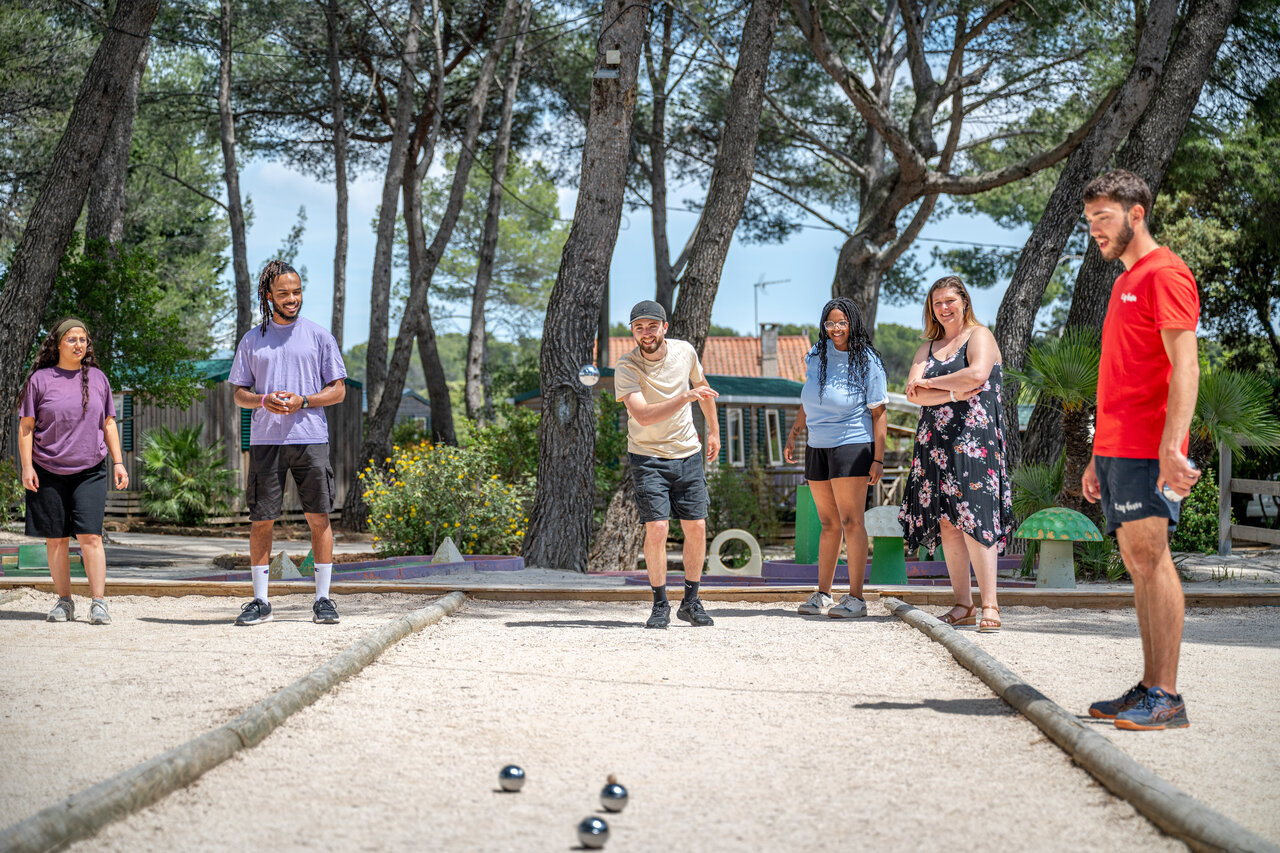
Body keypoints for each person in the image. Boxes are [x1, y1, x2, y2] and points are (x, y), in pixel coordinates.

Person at [1080, 170, 1200, 731]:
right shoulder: (1125, 281)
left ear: (1136, 214)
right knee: (1137, 566)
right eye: (1088, 222)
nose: (1094, 232)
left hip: (1149, 451)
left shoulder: (1165, 274)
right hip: (1116, 449)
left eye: (1102, 219)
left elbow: (1186, 368)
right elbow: (1120, 376)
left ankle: (1168, 697)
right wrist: (1096, 454)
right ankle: (1150, 685)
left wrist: (1173, 448)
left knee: (1154, 562)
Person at [229, 260, 347, 626]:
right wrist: (264, 400)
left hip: (311, 438)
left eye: (297, 292)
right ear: (269, 296)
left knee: (318, 517)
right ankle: (261, 602)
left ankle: (324, 599)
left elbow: (339, 390)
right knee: (262, 519)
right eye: (284, 293)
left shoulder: (319, 336)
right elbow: (239, 395)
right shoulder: (252, 340)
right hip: (266, 441)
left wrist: (304, 400)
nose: (292, 298)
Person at [899, 276, 1012, 633]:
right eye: (937, 303)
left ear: (964, 301)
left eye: (950, 301)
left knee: (976, 519)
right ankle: (963, 604)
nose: (944, 308)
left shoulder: (980, 335)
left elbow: (977, 374)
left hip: (973, 441)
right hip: (934, 442)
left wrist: (932, 383)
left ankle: (990, 605)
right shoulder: (928, 346)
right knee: (947, 522)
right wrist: (952, 392)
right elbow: (911, 394)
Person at [614, 300, 720, 629]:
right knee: (658, 529)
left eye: (651, 326)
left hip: (687, 453)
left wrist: (714, 431)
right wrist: (684, 398)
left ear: (664, 327)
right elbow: (643, 416)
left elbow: (702, 388)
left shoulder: (685, 351)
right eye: (638, 327)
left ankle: (691, 601)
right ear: (633, 331)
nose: (646, 333)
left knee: (697, 527)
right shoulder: (627, 366)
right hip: (647, 457)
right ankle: (660, 603)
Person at [17, 318, 129, 625]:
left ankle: (99, 603)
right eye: (72, 339)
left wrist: (118, 462)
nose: (79, 344)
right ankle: (64, 602)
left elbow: (108, 423)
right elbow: (26, 426)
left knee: (90, 536)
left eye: (83, 340)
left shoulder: (98, 379)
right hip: (47, 470)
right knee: (56, 539)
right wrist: (27, 467)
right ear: (58, 344)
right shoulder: (40, 380)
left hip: (90, 469)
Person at [784, 298, 888, 618]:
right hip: (818, 445)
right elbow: (809, 396)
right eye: (830, 324)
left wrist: (878, 459)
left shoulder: (867, 360)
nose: (836, 329)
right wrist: (795, 432)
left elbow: (880, 411)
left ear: (852, 323)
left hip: (852, 443)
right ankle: (823, 594)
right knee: (828, 523)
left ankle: (856, 598)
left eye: (842, 323)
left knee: (850, 521)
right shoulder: (817, 355)